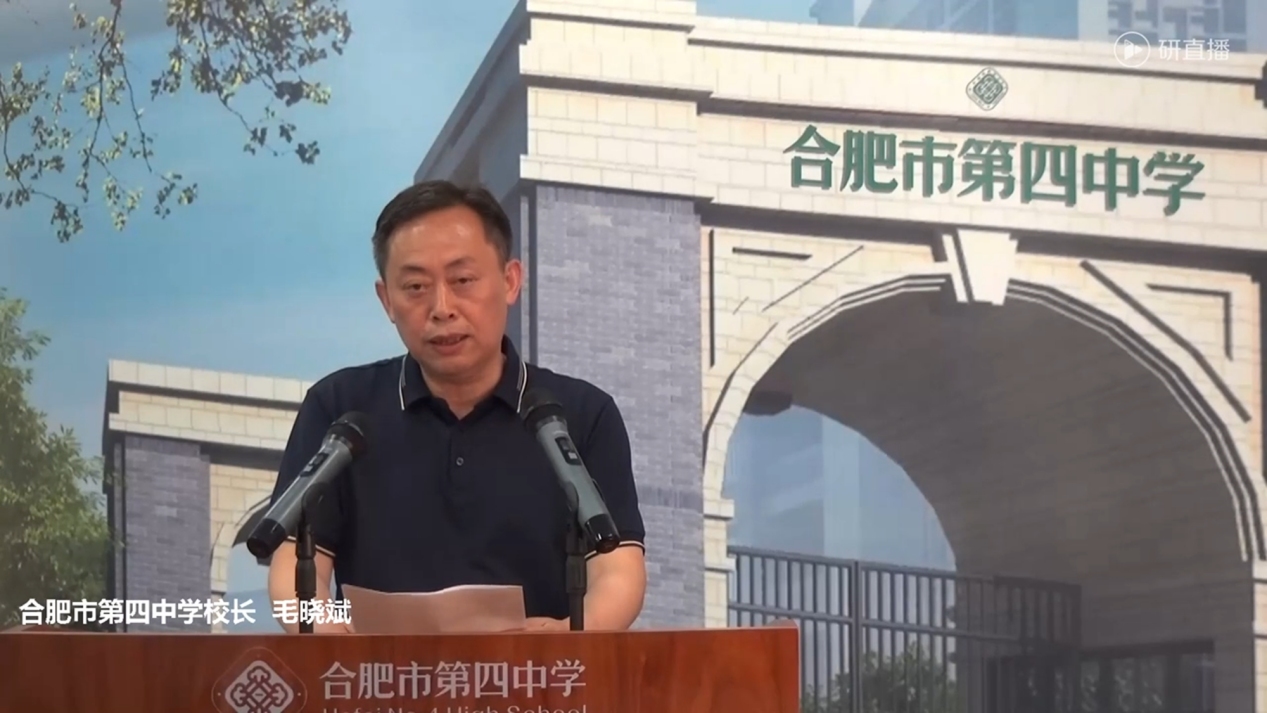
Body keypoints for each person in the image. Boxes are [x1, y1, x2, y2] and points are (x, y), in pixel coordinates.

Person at [264, 180, 647, 633]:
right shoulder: (341, 410)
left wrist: (565, 641)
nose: (442, 308)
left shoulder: (579, 416)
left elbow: (619, 574)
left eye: (463, 281)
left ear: (510, 281)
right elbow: (292, 572)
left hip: (537, 674)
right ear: (387, 300)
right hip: (377, 675)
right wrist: (330, 641)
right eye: (415, 287)